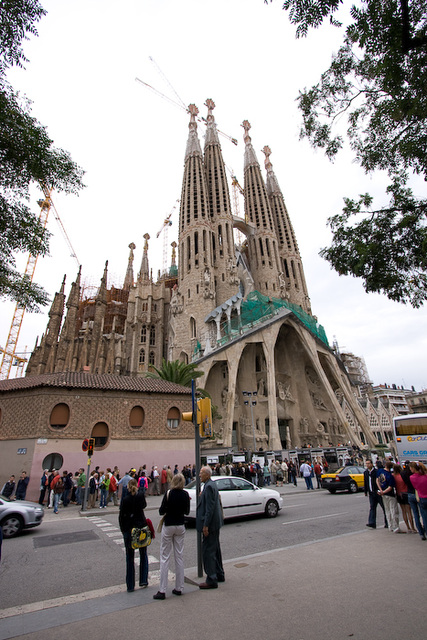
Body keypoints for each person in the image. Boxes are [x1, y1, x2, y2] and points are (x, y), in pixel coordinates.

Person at [153, 473, 190, 600]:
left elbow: (161, 511)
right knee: (179, 556)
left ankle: (162, 590)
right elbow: (187, 511)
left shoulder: (169, 493)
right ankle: (179, 587)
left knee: (164, 556)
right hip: (180, 525)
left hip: (169, 525)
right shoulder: (185, 494)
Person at [196, 466, 224, 589]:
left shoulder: (208, 487)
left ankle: (211, 579)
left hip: (211, 524)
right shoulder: (210, 485)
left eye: (201, 473)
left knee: (208, 551)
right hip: (215, 523)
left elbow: (209, 509)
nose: (199, 475)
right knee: (215, 549)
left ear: (207, 474)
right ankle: (219, 574)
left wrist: (205, 525)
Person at [119, 478, 149, 592]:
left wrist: (123, 530)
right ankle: (143, 580)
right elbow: (144, 506)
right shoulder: (140, 496)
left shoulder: (125, 499)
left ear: (128, 487)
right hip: (141, 527)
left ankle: (130, 585)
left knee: (130, 557)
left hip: (129, 529)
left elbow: (121, 515)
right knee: (143, 554)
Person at [402, 461, 426, 539]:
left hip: (412, 494)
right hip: (421, 496)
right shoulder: (424, 476)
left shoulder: (411, 477)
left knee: (416, 514)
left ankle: (421, 532)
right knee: (424, 515)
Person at [376, 460, 401, 533]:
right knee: (393, 510)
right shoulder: (390, 475)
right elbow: (390, 487)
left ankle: (390, 526)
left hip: (383, 493)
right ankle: (396, 526)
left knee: (387, 510)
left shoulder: (380, 471)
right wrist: (384, 492)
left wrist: (381, 490)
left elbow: (377, 480)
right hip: (390, 494)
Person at [364, 459, 388, 529]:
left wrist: (381, 490)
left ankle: (387, 522)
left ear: (372, 464)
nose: (367, 465)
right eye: (366, 464)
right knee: (372, 508)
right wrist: (366, 491)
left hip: (378, 492)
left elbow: (381, 481)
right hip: (371, 493)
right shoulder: (366, 472)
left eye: (368, 463)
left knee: (384, 507)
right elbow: (366, 482)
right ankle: (372, 522)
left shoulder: (376, 472)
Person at [393, 464, 416, 533]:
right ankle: (412, 528)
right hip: (405, 493)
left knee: (403, 511)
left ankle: (408, 527)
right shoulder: (402, 476)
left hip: (399, 494)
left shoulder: (394, 476)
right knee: (409, 511)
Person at [409, 461, 427, 539]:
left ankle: (423, 532)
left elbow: (416, 487)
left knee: (424, 517)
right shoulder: (425, 476)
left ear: (413, 468)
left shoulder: (412, 477)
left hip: (421, 497)